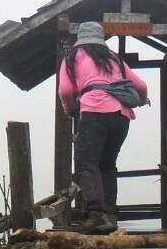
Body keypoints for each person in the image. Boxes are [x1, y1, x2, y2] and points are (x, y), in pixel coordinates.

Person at [57, 21, 149, 234]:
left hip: (94, 111)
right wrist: (143, 100)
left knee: (86, 164)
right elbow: (142, 86)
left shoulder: (72, 58)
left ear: (81, 39)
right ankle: (110, 214)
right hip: (121, 116)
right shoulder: (114, 59)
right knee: (107, 164)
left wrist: (70, 110)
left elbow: (65, 90)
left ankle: (97, 216)